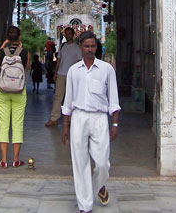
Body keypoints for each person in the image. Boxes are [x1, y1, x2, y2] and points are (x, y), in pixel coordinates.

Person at [61, 31, 120, 213]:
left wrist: (115, 123)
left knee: (102, 162)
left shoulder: (106, 69)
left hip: (99, 118)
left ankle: (100, 184)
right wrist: (65, 125)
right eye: (86, 46)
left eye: (93, 46)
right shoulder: (73, 71)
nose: (89, 49)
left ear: (97, 47)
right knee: (80, 162)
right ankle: (85, 206)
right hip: (79, 117)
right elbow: (68, 100)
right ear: (80, 47)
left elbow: (113, 99)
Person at [0, 25, 30, 168]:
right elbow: (27, 67)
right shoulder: (24, 52)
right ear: (19, 37)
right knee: (17, 125)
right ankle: (16, 159)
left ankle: (3, 160)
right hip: (19, 92)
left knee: (3, 125)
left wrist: (3, 46)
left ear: (7, 38)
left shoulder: (2, 52)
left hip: (2, 91)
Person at [45, 26, 82, 127]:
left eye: (70, 34)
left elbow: (80, 62)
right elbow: (59, 60)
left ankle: (71, 118)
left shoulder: (77, 48)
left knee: (72, 97)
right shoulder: (62, 46)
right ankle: (54, 118)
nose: (68, 35)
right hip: (61, 74)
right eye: (66, 34)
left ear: (73, 35)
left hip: (72, 75)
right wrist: (55, 73)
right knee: (58, 96)